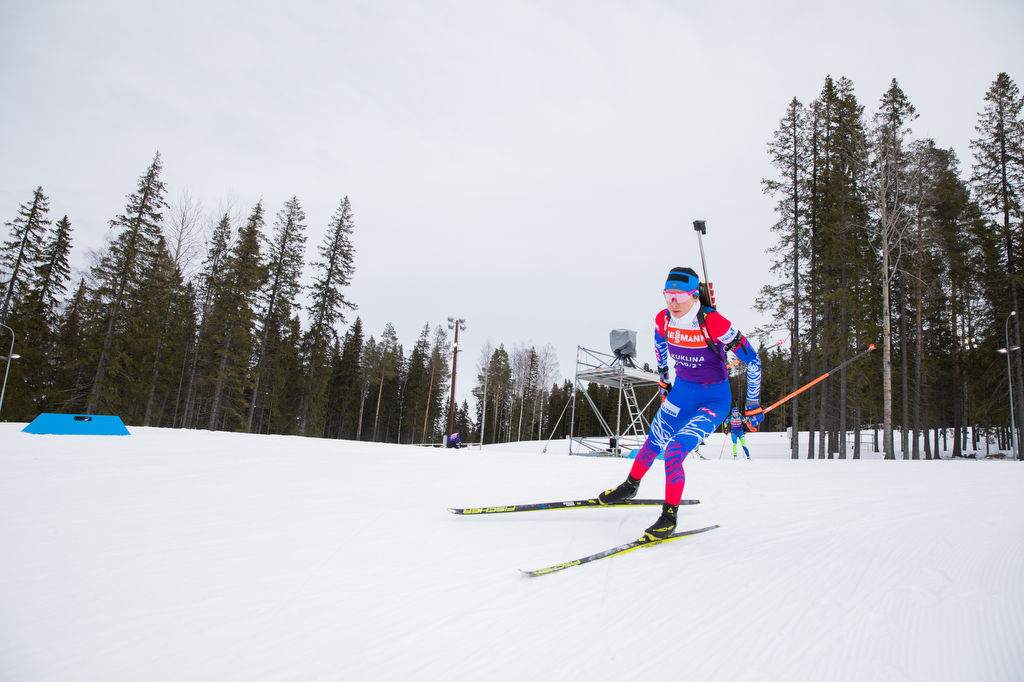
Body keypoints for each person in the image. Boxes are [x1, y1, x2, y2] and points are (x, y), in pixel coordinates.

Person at [598, 266, 763, 539]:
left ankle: (668, 517)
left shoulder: (714, 322)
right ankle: (630, 485)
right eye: (668, 294)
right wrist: (664, 379)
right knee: (653, 441)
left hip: (714, 398)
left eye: (680, 295)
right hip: (682, 392)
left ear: (694, 295)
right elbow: (660, 346)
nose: (673, 301)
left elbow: (753, 360)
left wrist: (753, 404)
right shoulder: (663, 319)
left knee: (674, 450)